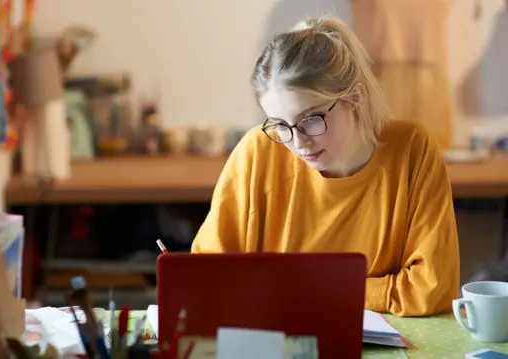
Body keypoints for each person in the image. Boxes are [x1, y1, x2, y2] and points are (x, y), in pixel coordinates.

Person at [191, 16, 460, 317]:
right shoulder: (257, 151)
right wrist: (371, 290)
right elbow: (207, 276)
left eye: (311, 119)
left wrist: (300, 288)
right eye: (281, 124)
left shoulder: (413, 149)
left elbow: (432, 288)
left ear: (354, 98)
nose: (299, 143)